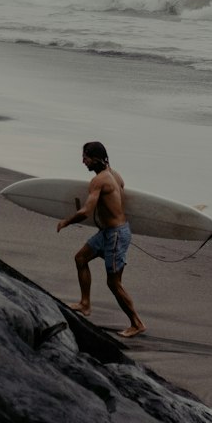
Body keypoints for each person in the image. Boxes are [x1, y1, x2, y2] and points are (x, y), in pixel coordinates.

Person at [56, 141, 146, 338]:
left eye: (85, 157)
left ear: (95, 158)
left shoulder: (99, 181)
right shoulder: (115, 175)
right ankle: (85, 303)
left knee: (114, 283)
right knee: (80, 259)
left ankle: (137, 323)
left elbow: (86, 211)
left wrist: (66, 221)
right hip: (108, 232)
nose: (83, 162)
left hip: (115, 235)